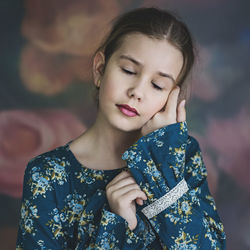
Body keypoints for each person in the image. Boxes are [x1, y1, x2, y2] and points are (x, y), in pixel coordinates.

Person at [16, 7, 226, 249]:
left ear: (171, 98)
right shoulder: (47, 175)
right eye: (128, 70)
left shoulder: (182, 156)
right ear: (100, 69)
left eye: (157, 85)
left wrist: (163, 180)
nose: (137, 91)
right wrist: (117, 226)